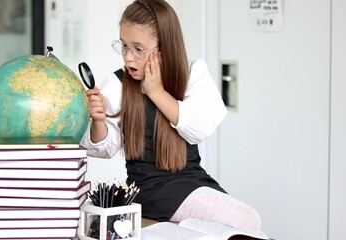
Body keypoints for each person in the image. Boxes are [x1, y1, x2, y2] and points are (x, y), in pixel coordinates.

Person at [80, 0, 262, 234]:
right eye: (124, 46)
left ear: (164, 48)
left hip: (191, 181)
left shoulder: (193, 74)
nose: (128, 57)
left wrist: (156, 92)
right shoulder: (118, 85)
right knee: (248, 220)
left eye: (138, 49)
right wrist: (97, 120)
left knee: (241, 227)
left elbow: (198, 129)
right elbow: (104, 149)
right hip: (150, 188)